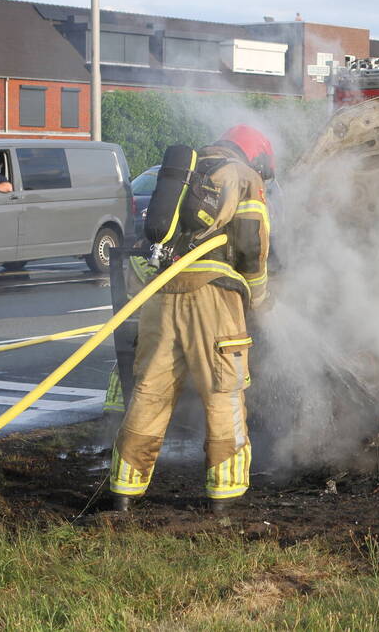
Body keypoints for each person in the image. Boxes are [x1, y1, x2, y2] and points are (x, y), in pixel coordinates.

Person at [108, 125, 273, 513]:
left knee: (150, 393)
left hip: (161, 296)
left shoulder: (185, 173)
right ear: (256, 155)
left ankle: (123, 494)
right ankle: (223, 500)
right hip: (213, 298)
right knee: (223, 394)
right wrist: (259, 298)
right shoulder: (243, 176)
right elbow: (252, 244)